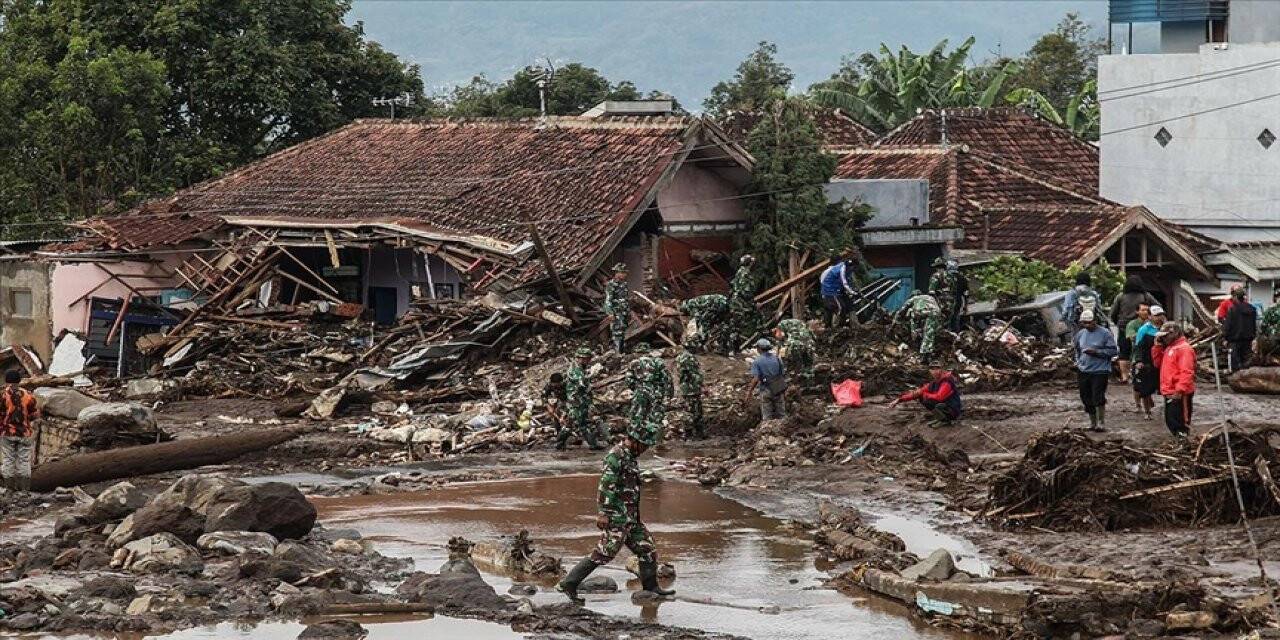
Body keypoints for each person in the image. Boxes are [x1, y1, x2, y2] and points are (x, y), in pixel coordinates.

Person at [556, 421, 673, 603]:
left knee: (647, 548)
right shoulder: (615, 456)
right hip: (616, 515)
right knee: (604, 552)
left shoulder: (630, 456)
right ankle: (569, 583)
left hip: (631, 516)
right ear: (634, 441)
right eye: (643, 445)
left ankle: (651, 588)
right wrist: (603, 512)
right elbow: (605, 486)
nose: (645, 449)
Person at [1073, 310, 1118, 432]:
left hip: (1100, 370)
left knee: (1097, 395)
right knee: (1085, 396)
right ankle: (1092, 422)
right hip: (1084, 369)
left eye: (1089, 323)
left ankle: (1101, 422)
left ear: (1095, 321)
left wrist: (1097, 352)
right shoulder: (1080, 334)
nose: (1087, 325)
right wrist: (1078, 361)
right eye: (1084, 323)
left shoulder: (1105, 333)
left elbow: (1113, 351)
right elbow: (1076, 349)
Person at [1110, 276, 1159, 383]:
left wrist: (1118, 323)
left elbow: (1113, 313)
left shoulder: (1120, 296)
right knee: (1142, 351)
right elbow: (1158, 308)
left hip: (1123, 327)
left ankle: (1124, 376)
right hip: (1144, 328)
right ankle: (1141, 374)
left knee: (1124, 352)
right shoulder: (1146, 296)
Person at [1152, 322, 1196, 439]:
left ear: (1174, 333)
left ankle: (1183, 443)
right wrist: (1157, 347)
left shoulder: (1184, 349)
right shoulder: (1170, 348)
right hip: (1169, 391)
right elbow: (1158, 364)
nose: (1163, 338)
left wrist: (1179, 390)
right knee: (1171, 420)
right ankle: (1179, 441)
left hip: (1179, 393)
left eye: (1165, 335)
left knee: (1180, 422)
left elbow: (1187, 372)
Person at [1, 370, 40, 492]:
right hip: (24, 433)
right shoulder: (28, 395)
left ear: (7, 381)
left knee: (8, 460)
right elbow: (35, 414)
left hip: (7, 433)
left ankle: (9, 490)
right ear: (19, 381)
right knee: (24, 461)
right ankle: (24, 491)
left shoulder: (3, 395)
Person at [890, 362, 962, 427]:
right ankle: (941, 418)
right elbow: (917, 393)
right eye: (932, 369)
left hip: (953, 409)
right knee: (921, 396)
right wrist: (899, 400)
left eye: (937, 369)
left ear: (941, 370)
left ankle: (945, 420)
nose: (935, 371)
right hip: (945, 406)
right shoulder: (933, 383)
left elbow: (939, 397)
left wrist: (926, 395)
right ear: (929, 371)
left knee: (929, 400)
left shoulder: (947, 381)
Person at [559, 348, 603, 450]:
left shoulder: (581, 368)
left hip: (581, 400)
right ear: (579, 358)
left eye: (587, 358)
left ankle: (592, 444)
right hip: (575, 401)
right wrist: (592, 375)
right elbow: (581, 383)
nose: (586, 360)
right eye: (584, 358)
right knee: (574, 423)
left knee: (582, 423)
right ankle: (559, 443)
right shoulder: (575, 369)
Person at [626, 354, 672, 445]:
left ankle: (635, 439)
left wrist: (637, 388)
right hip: (656, 392)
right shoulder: (658, 362)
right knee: (656, 416)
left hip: (640, 391)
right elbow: (667, 379)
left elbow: (629, 380)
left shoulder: (634, 363)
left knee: (637, 414)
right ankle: (657, 440)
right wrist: (668, 394)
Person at [1131, 305, 1165, 420]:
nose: (1159, 317)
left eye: (1161, 315)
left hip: (1163, 362)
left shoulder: (1166, 328)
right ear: (1150, 316)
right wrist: (1138, 361)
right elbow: (1138, 347)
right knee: (1144, 388)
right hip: (1148, 362)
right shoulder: (1144, 330)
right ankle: (1147, 412)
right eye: (1156, 315)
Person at [745, 338, 787, 420]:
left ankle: (767, 430)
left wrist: (749, 392)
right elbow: (782, 374)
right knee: (782, 414)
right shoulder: (777, 359)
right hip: (778, 388)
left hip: (766, 389)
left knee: (767, 416)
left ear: (759, 349)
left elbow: (756, 379)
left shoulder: (757, 362)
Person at [1222, 285, 1258, 372]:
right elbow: (1254, 325)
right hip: (1248, 341)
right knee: (1246, 364)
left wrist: (1225, 338)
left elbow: (1228, 325)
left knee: (1235, 366)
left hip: (1234, 341)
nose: (1232, 299)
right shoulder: (1252, 309)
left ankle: (1236, 382)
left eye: (1233, 296)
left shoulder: (1233, 310)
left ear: (1236, 297)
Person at [728, 254, 762, 347]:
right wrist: (753, 304)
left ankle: (733, 347)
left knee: (735, 324)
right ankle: (732, 348)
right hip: (740, 302)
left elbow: (733, 285)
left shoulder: (739, 272)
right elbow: (746, 292)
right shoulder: (745, 273)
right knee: (737, 325)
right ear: (750, 263)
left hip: (735, 300)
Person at [819, 255, 862, 330]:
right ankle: (837, 328)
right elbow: (845, 283)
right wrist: (853, 293)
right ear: (852, 266)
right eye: (854, 268)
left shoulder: (848, 270)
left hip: (838, 290)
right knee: (840, 308)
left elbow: (848, 281)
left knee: (849, 305)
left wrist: (854, 290)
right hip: (831, 291)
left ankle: (855, 325)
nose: (854, 270)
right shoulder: (842, 268)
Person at [899, 291, 943, 358]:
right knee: (930, 332)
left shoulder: (914, 298)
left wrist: (898, 318)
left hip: (923, 312)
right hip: (936, 313)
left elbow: (902, 309)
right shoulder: (930, 297)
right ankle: (928, 351)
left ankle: (922, 352)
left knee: (913, 316)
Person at [773, 318, 816, 386]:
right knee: (808, 364)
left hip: (797, 347)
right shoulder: (798, 324)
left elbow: (780, 340)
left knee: (794, 361)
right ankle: (809, 381)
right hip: (809, 345)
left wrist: (778, 356)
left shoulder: (782, 325)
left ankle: (797, 379)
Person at [1062, 272, 1107, 336]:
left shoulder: (1071, 293)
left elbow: (1066, 310)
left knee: (1078, 341)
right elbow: (1099, 308)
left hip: (1077, 325)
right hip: (1092, 324)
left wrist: (1062, 320)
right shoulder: (1094, 294)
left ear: (1077, 281)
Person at [675, 345, 705, 439]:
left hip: (686, 388)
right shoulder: (689, 357)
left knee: (690, 410)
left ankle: (690, 433)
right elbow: (694, 374)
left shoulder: (680, 356)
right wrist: (702, 386)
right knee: (694, 411)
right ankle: (693, 433)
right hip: (692, 388)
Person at [604, 264, 631, 354]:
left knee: (623, 333)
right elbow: (608, 300)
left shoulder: (624, 284)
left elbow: (625, 299)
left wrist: (628, 312)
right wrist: (610, 313)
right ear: (617, 273)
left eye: (625, 273)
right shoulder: (611, 285)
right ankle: (617, 353)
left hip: (624, 313)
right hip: (616, 313)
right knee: (617, 333)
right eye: (623, 273)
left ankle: (622, 352)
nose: (625, 275)